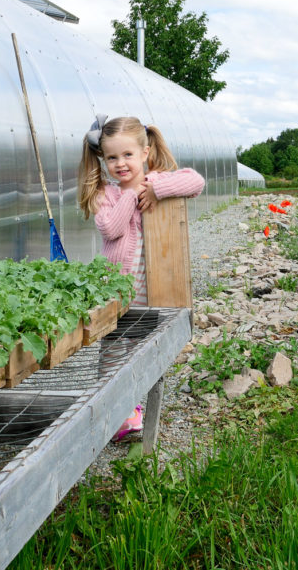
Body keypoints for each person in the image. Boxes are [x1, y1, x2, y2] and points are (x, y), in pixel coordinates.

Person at [78, 115, 204, 440]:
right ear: (103, 161)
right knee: (113, 354)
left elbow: (195, 181)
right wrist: (132, 194)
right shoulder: (107, 193)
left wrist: (155, 187)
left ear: (145, 152)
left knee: (144, 351)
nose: (121, 163)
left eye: (128, 155)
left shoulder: (156, 182)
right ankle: (116, 414)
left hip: (151, 290)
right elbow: (111, 228)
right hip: (118, 296)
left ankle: (135, 411)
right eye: (112, 157)